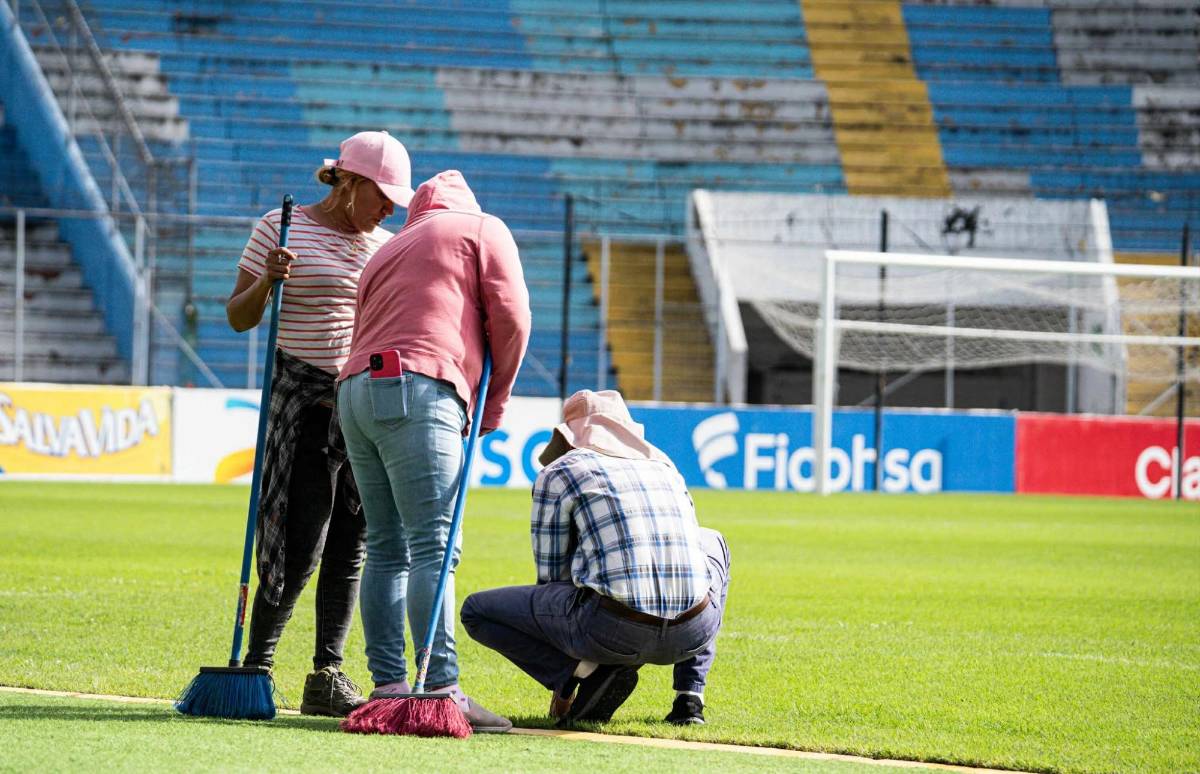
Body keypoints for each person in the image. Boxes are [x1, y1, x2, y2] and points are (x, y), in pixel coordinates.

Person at [335, 169, 531, 733]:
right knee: (434, 545)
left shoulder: (389, 248)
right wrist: (492, 409)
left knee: (387, 548)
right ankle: (440, 689)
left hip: (355, 392)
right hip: (420, 386)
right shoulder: (481, 227)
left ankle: (389, 689)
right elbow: (513, 318)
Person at [226, 130, 414, 716]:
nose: (389, 209)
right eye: (382, 196)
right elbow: (238, 317)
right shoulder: (279, 229)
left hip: (359, 403)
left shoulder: (383, 246)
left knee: (353, 544)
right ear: (351, 183)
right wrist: (268, 280)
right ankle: (258, 664)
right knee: (300, 539)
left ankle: (326, 675)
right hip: (301, 402)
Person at [460, 390, 731, 727]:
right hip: (693, 632)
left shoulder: (561, 471)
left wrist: (566, 675)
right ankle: (690, 698)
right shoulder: (665, 466)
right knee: (712, 540)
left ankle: (582, 672)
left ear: (571, 434)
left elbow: (551, 577)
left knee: (475, 611)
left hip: (611, 630)